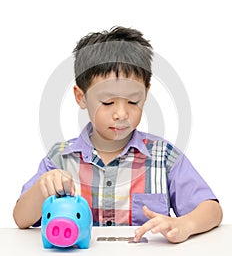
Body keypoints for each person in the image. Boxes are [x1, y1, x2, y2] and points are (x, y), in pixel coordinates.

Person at [13, 26, 223, 243]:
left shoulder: (163, 156)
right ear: (81, 97)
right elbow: (21, 219)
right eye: (108, 102)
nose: (122, 114)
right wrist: (42, 187)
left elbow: (212, 210)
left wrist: (184, 224)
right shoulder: (61, 158)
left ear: (146, 93)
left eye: (133, 101)